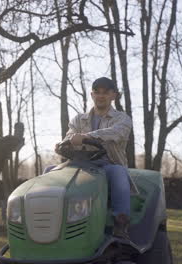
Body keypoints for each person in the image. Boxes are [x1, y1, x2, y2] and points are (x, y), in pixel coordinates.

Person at [51, 77, 133, 240]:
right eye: (97, 92)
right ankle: (51, 220)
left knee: (118, 173)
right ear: (92, 94)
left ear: (113, 96)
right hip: (79, 163)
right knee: (49, 172)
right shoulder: (78, 119)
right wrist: (63, 144)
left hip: (108, 163)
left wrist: (86, 136)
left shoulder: (122, 118)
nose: (100, 96)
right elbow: (70, 137)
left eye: (106, 92)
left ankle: (120, 222)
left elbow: (116, 133)